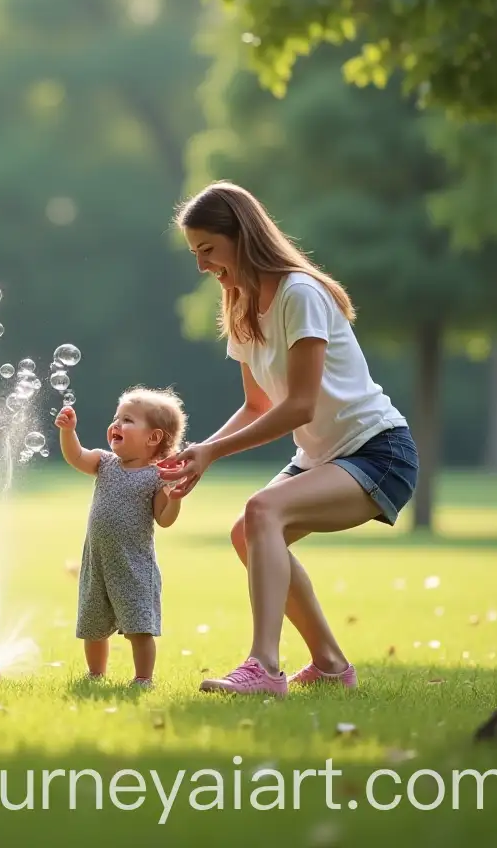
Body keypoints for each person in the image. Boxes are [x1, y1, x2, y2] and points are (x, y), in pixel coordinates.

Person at [158, 181, 418, 697]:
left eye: (208, 249)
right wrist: (201, 455)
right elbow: (258, 405)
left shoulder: (299, 293)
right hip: (324, 455)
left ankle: (264, 667)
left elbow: (297, 404)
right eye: (195, 253)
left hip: (378, 450)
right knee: (246, 532)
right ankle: (328, 663)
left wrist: (212, 451)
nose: (202, 265)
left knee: (262, 513)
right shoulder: (239, 303)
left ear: (242, 236)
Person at [55, 387, 187, 686]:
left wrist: (175, 497)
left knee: (139, 626)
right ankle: (95, 674)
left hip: (133, 565)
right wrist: (68, 431)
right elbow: (75, 456)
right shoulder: (104, 463)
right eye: (116, 418)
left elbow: (164, 520)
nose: (116, 425)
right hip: (98, 562)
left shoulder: (156, 477)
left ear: (153, 438)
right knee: (93, 624)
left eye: (127, 420)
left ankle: (143, 678)